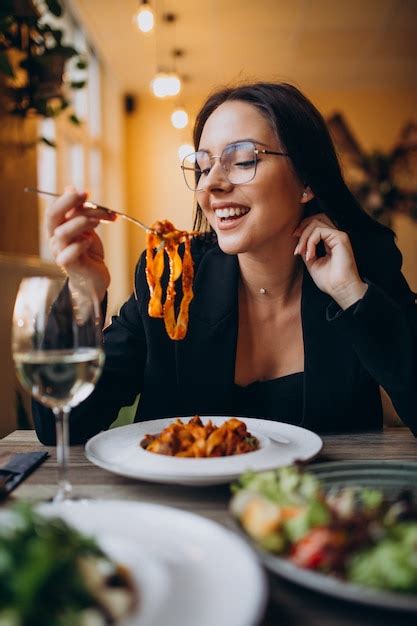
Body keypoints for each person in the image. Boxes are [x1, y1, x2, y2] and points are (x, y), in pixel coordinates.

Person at [33, 82, 417, 445]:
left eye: (243, 160)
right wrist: (83, 289)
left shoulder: (363, 267)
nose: (211, 184)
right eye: (203, 165)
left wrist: (352, 294)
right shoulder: (171, 277)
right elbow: (59, 425)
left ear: (306, 181)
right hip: (177, 508)